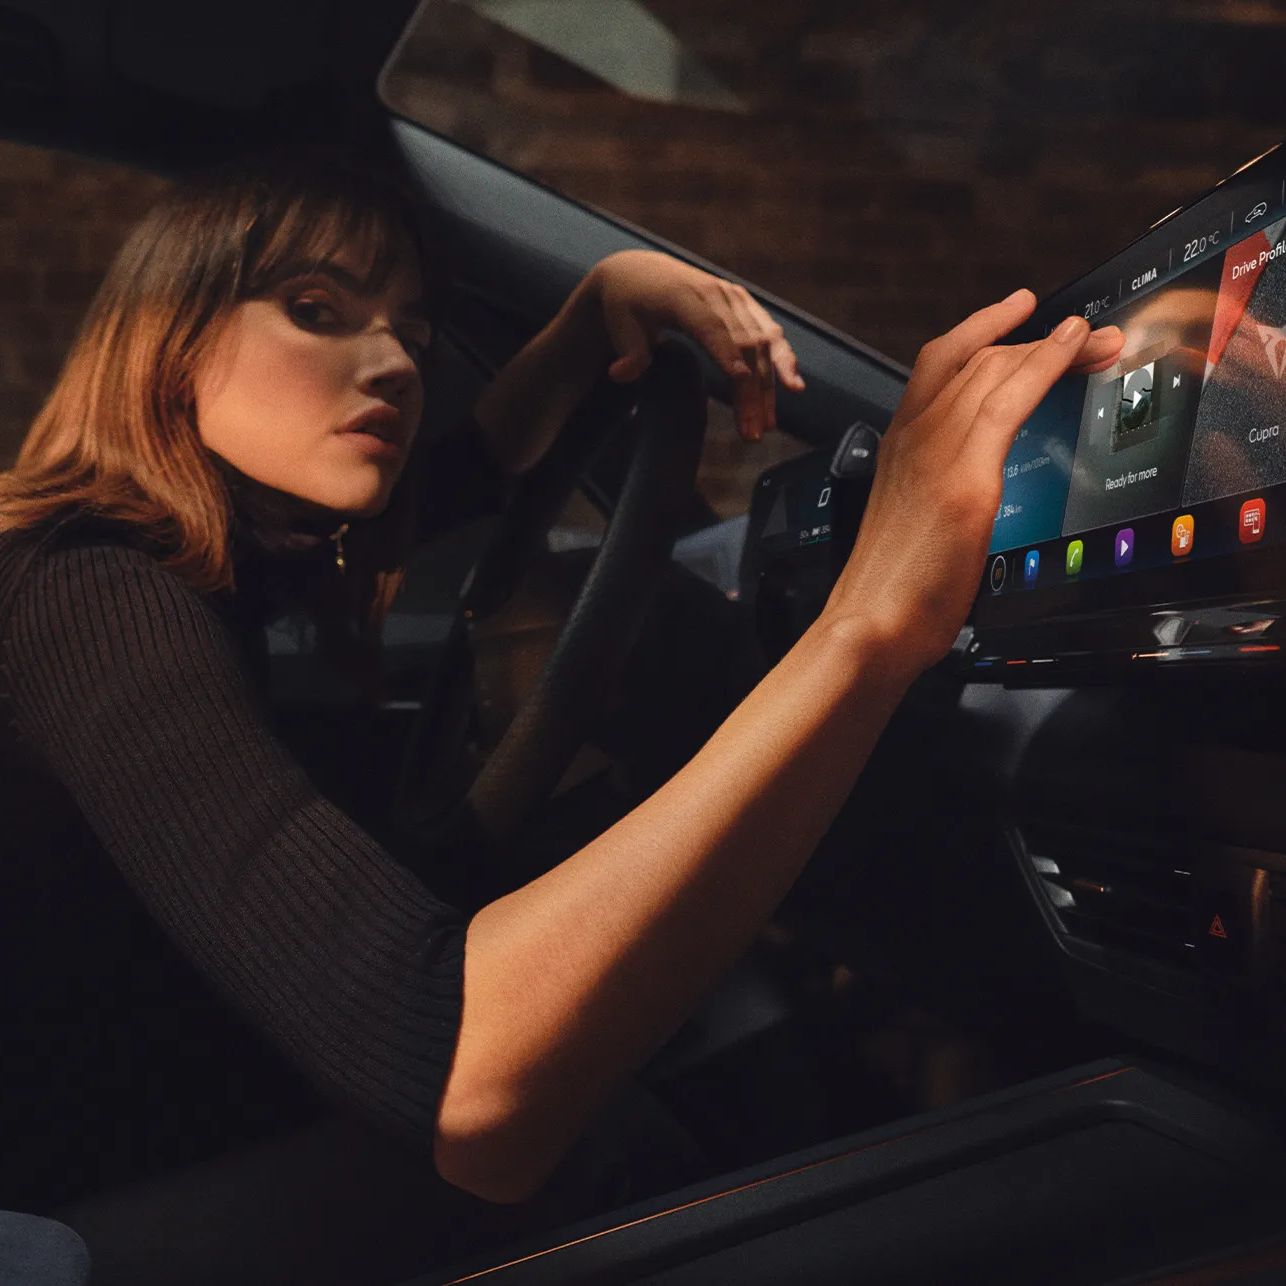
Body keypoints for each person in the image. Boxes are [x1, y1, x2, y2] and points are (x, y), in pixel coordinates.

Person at [0, 147, 1124, 1283]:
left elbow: (465, 469)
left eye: (413, 335)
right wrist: (871, 620)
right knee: (608, 1152)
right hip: (63, 1214)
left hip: (149, 1112)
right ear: (170, 340)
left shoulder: (222, 558)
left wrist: (593, 312)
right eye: (315, 310)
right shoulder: (84, 588)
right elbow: (472, 1084)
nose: (392, 364)